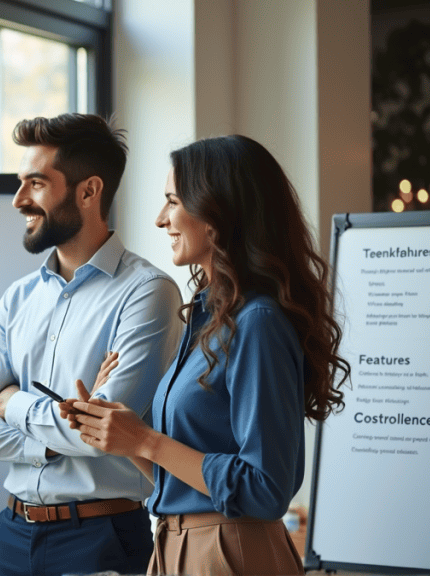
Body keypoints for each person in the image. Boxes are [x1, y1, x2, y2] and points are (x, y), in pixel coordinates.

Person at [66, 134, 350, 575]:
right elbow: (183, 481)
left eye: (172, 201)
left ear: (219, 211)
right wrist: (120, 435)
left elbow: (266, 488)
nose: (161, 219)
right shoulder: (207, 317)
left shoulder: (258, 323)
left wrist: (145, 439)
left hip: (230, 552)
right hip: (177, 546)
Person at [0, 113, 183, 575]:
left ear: (88, 191)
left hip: (100, 539)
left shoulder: (146, 293)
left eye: (36, 183)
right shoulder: (18, 298)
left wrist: (11, 401)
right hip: (13, 534)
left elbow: (101, 434)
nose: (20, 200)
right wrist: (53, 440)